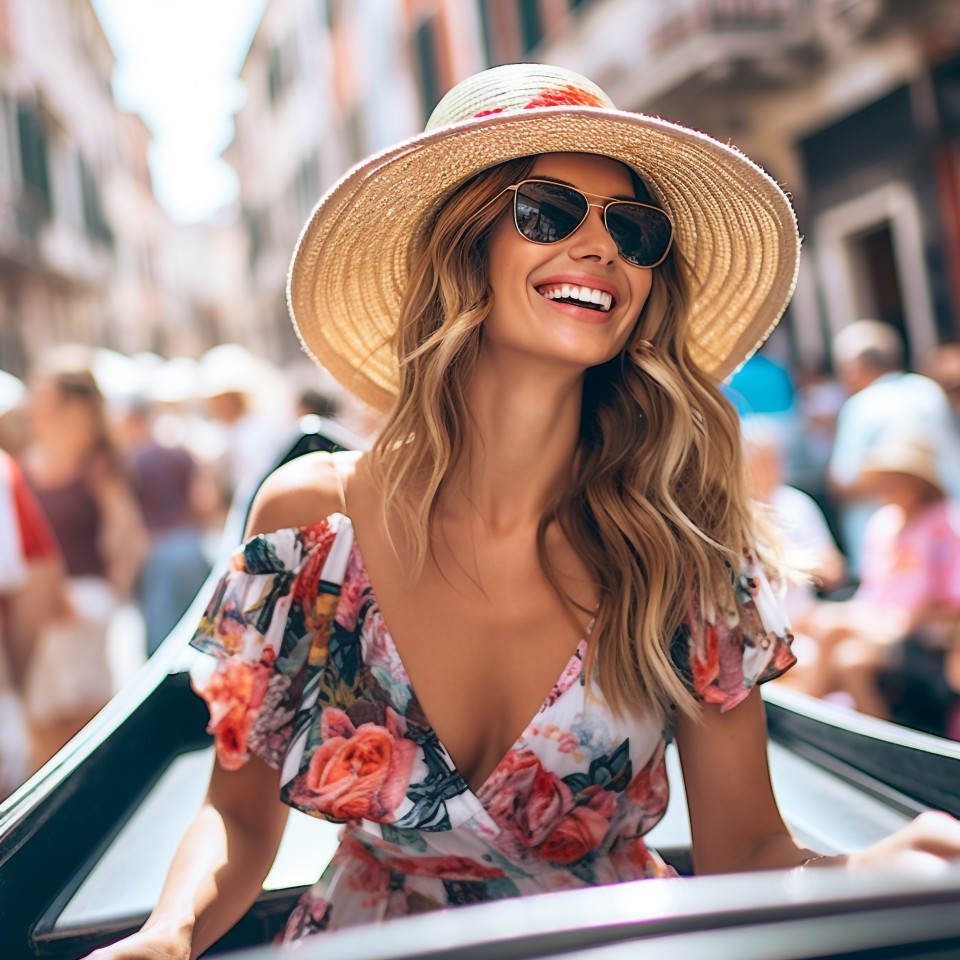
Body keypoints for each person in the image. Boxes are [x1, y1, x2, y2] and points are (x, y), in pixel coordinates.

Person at [89, 64, 960, 959]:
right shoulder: (314, 524)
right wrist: (168, 937)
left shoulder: (685, 548)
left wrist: (875, 871)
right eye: (546, 211)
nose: (602, 248)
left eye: (633, 229)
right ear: (464, 249)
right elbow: (235, 818)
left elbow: (747, 851)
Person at [19, 347, 149, 765]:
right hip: (36, 611)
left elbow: (129, 539)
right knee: (39, 719)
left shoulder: (97, 463)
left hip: (84, 609)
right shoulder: (24, 464)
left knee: (84, 720)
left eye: (45, 394)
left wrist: (104, 596)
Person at [801, 430, 960, 729]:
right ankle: (859, 734)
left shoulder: (946, 523)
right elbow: (872, 594)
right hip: (883, 625)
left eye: (898, 477)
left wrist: (900, 622)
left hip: (927, 638)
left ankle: (814, 721)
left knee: (839, 644)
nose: (890, 487)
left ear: (918, 480)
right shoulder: (884, 524)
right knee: (839, 648)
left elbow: (951, 603)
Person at [827, 319, 959, 578]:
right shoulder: (927, 391)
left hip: (892, 558)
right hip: (946, 542)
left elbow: (844, 480)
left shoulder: (861, 406)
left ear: (854, 368)